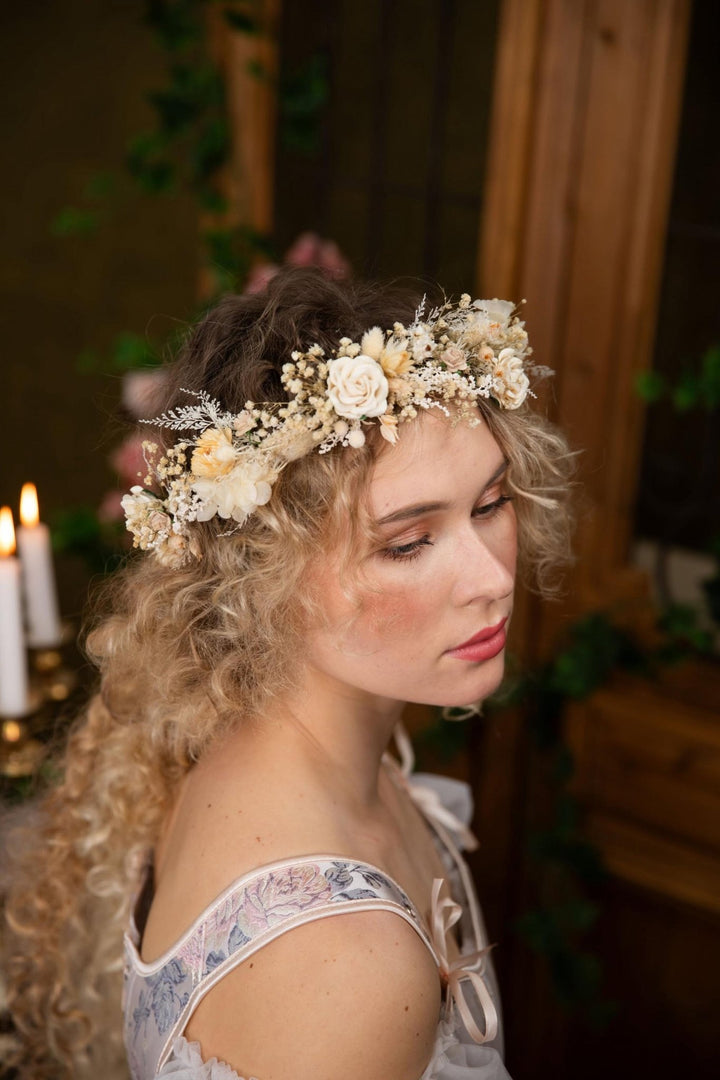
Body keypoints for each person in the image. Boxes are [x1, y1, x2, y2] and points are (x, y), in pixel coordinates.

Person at [3, 268, 573, 1080]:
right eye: (407, 543)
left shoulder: (277, 756)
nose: (492, 578)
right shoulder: (343, 968)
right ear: (259, 577)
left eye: (489, 504)